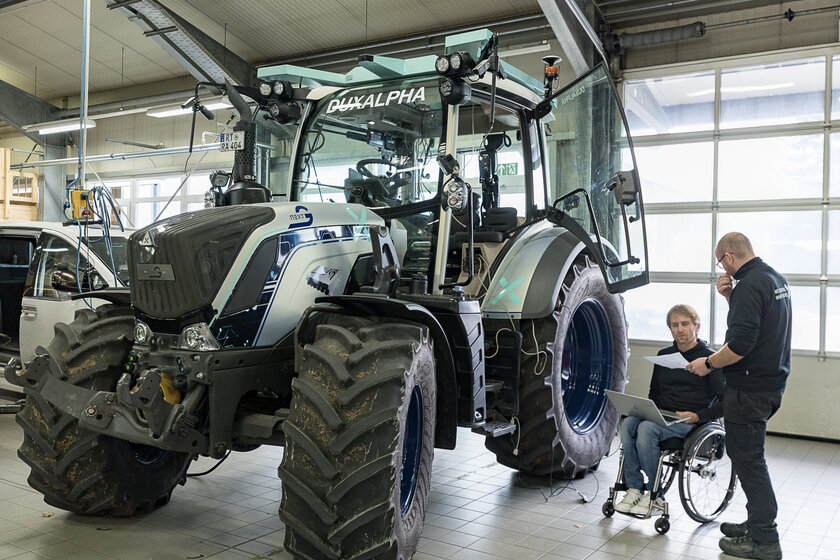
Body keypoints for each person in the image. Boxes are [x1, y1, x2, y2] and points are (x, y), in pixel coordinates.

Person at [687, 232, 791, 560]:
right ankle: (755, 523)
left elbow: (742, 344)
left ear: (730, 257)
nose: (722, 268)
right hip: (770, 385)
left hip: (749, 389)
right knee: (749, 458)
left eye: (721, 262)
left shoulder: (749, 285)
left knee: (749, 461)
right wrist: (731, 298)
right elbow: (760, 327)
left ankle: (765, 541)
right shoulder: (774, 278)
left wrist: (707, 363)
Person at [615, 304, 724, 515]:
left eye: (685, 324)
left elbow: (725, 401)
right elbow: (654, 393)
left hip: (692, 421)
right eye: (674, 325)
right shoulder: (664, 355)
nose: (679, 329)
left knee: (646, 429)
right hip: (663, 416)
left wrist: (698, 416)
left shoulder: (710, 359)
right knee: (629, 423)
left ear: (697, 327)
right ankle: (635, 488)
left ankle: (655, 495)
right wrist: (647, 410)